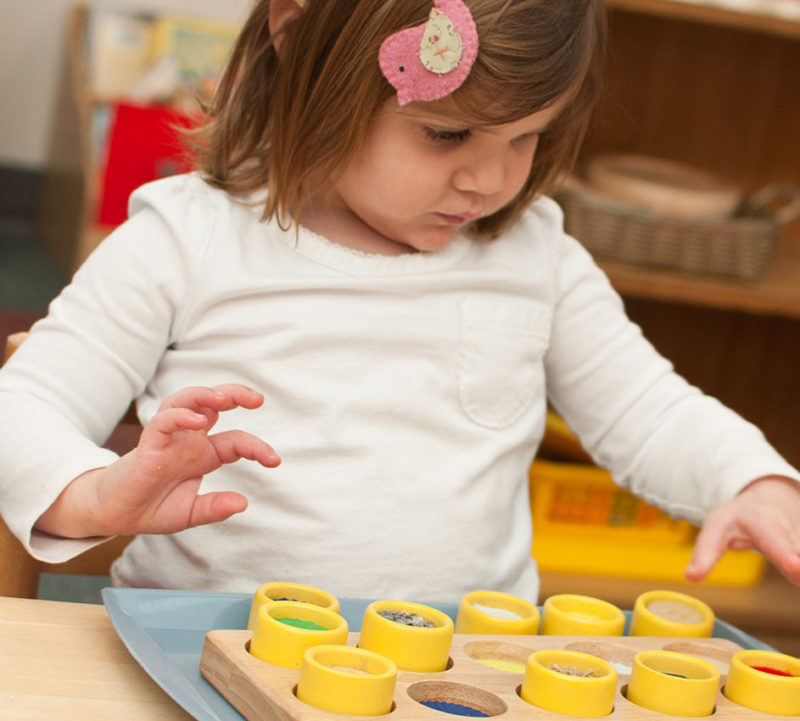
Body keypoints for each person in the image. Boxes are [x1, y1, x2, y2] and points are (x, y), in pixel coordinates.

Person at [1, 0, 798, 604]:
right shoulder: (187, 237)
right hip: (204, 663)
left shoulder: (537, 257)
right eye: (446, 136)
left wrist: (752, 479)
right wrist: (95, 493)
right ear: (297, 30)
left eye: (527, 138)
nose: (488, 180)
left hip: (457, 680)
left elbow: (650, 413)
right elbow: (23, 405)